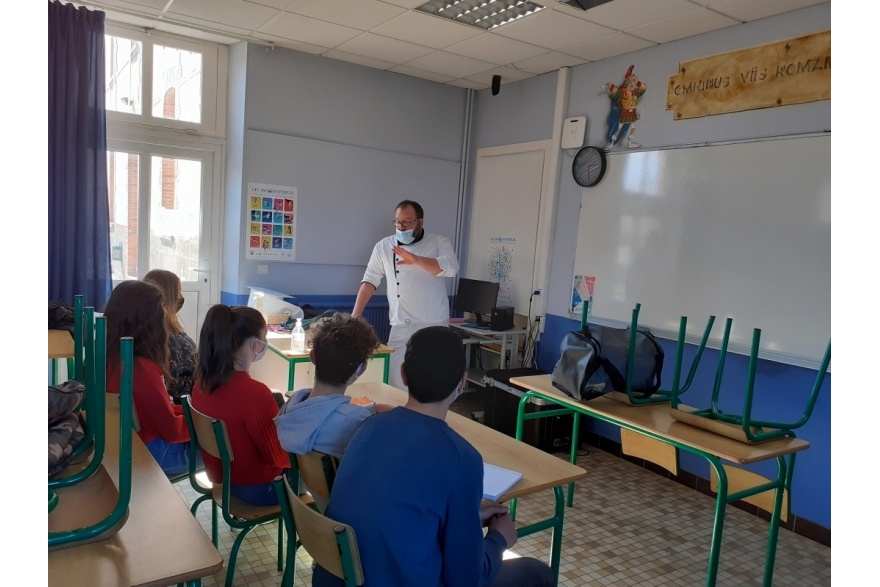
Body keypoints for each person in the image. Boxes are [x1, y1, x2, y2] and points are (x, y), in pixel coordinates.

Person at [312, 326, 554, 587]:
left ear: (403, 374)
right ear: (462, 382)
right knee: (536, 573)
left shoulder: (369, 426)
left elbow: (401, 512)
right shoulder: (463, 458)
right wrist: (498, 540)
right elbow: (465, 579)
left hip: (338, 577)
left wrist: (467, 520)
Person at [352, 200, 459, 391]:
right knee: (394, 381)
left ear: (420, 222)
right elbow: (369, 281)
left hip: (433, 324)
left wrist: (416, 260)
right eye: (397, 222)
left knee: (432, 382)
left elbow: (451, 268)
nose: (401, 227)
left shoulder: (438, 242)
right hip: (401, 325)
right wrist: (355, 316)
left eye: (407, 222)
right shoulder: (384, 246)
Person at [191, 305, 289, 506]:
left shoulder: (201, 384)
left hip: (223, 482)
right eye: (264, 338)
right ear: (255, 344)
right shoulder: (255, 394)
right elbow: (278, 458)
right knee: (327, 475)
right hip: (260, 489)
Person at [104, 280, 194, 477]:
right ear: (147, 319)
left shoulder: (114, 356)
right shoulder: (143, 368)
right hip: (157, 453)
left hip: (131, 443)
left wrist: (192, 411)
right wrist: (201, 422)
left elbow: (160, 410)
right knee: (226, 445)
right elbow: (171, 431)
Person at [274, 313, 392, 459]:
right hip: (340, 483)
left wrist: (371, 408)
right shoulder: (355, 420)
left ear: (312, 356)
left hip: (301, 482)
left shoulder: (292, 405)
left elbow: (325, 415)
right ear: (361, 369)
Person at [144, 269, 197, 403]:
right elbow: (171, 381)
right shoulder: (163, 337)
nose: (181, 296)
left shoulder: (168, 326)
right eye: (178, 291)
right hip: (183, 402)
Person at [602, 64, 647, 151]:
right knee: (618, 129)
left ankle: (629, 143)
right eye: (633, 81)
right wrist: (610, 87)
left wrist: (637, 82)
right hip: (625, 113)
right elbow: (615, 93)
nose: (634, 84)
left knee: (633, 128)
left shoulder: (635, 93)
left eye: (635, 81)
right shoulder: (623, 93)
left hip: (632, 113)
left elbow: (643, 88)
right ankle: (611, 144)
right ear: (628, 81)